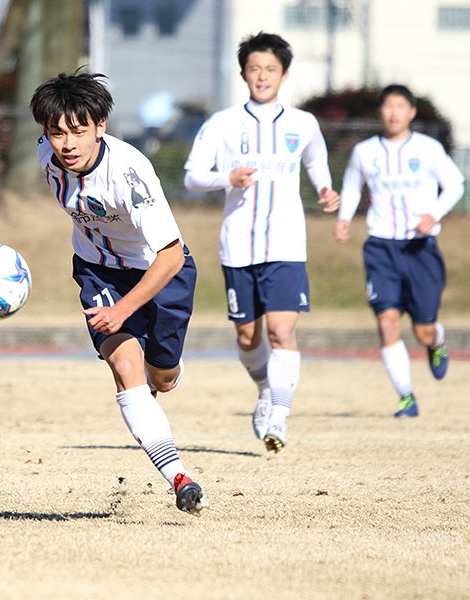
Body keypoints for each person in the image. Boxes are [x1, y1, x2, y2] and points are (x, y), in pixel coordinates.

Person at [29, 72, 208, 516]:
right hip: (98, 272)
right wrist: (117, 309)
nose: (67, 143)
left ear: (101, 126)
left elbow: (170, 256)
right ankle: (179, 477)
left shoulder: (130, 174)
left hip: (160, 272)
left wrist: (127, 307)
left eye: (78, 131)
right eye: (56, 133)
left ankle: (165, 368)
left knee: (161, 378)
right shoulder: (46, 157)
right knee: (124, 366)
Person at [183, 32, 340, 452]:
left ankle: (281, 416)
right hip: (238, 245)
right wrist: (225, 178)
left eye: (271, 69)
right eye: (255, 68)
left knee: (282, 330)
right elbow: (191, 175)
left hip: (287, 245)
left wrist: (326, 190)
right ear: (243, 74)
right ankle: (266, 390)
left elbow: (317, 163)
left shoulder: (302, 124)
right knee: (249, 338)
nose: (263, 76)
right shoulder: (222, 123)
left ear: (284, 74)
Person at [334, 84, 465, 417]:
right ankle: (406, 396)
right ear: (381, 112)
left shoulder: (428, 148)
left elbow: (455, 183)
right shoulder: (365, 152)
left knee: (423, 329)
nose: (394, 112)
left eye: (400, 106)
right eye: (388, 106)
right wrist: (344, 219)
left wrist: (433, 214)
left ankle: (435, 342)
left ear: (411, 112)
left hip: (419, 248)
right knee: (387, 322)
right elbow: (351, 186)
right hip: (380, 247)